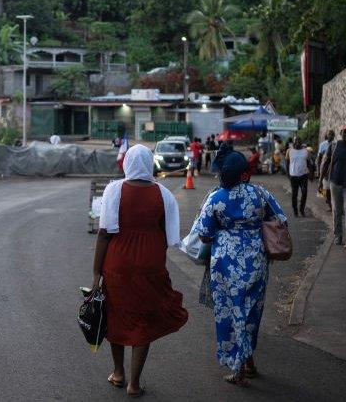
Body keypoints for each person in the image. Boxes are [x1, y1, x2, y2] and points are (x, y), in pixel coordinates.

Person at [92, 144, 188, 397]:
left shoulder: (114, 190)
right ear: (149, 163)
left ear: (127, 164)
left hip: (118, 263)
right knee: (143, 319)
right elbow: (169, 235)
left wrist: (95, 273)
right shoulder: (164, 194)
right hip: (151, 264)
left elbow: (104, 233)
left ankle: (118, 373)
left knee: (116, 315)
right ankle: (134, 383)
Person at [193, 151, 288, 386]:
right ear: (243, 173)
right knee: (250, 313)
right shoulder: (259, 193)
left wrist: (225, 231)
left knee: (229, 312)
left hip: (225, 265)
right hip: (256, 261)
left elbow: (204, 236)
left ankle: (238, 368)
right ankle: (248, 361)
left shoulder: (216, 198)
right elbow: (281, 219)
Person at [286, 138, 310, 216]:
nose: (298, 142)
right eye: (296, 141)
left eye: (299, 141)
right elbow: (287, 163)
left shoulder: (306, 151)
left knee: (304, 192)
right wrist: (288, 174)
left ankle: (302, 209)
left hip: (304, 175)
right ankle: (295, 210)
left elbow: (308, 162)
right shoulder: (289, 151)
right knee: (294, 194)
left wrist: (311, 173)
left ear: (301, 142)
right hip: (293, 175)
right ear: (294, 142)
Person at [316, 130, 336, 211]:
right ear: (326, 136)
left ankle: (333, 206)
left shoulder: (335, 145)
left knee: (333, 189)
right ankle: (330, 205)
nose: (330, 136)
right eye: (329, 135)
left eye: (332, 135)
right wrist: (318, 170)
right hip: (324, 170)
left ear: (334, 136)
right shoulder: (322, 145)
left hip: (333, 170)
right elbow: (319, 158)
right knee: (326, 189)